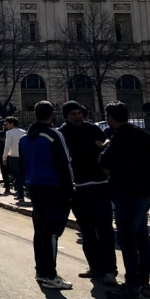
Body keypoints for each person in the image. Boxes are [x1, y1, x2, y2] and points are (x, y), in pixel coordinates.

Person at [100, 102, 150, 299]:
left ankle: (132, 287)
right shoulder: (143, 135)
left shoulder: (118, 138)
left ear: (111, 118)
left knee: (128, 242)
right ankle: (145, 283)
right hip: (143, 193)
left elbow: (103, 163)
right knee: (143, 239)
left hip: (125, 194)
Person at [58, 101, 117, 286]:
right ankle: (94, 266)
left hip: (99, 186)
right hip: (78, 188)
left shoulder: (92, 129)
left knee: (105, 230)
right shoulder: (62, 133)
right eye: (73, 114)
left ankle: (109, 270)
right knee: (87, 231)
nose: (77, 117)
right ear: (66, 116)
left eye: (79, 113)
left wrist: (103, 147)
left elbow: (107, 147)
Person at [19, 101, 75, 290]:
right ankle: (50, 274)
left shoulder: (25, 139)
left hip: (34, 187)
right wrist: (70, 191)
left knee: (40, 231)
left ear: (35, 115)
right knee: (51, 232)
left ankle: (41, 270)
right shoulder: (53, 135)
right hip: (54, 188)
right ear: (52, 115)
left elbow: (22, 165)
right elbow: (65, 164)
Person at [2, 117, 26, 203]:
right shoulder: (24, 132)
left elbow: (7, 146)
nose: (6, 126)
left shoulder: (9, 133)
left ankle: (20, 195)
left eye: (7, 124)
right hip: (23, 157)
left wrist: (4, 157)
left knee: (17, 176)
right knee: (23, 175)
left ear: (12, 123)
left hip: (13, 157)